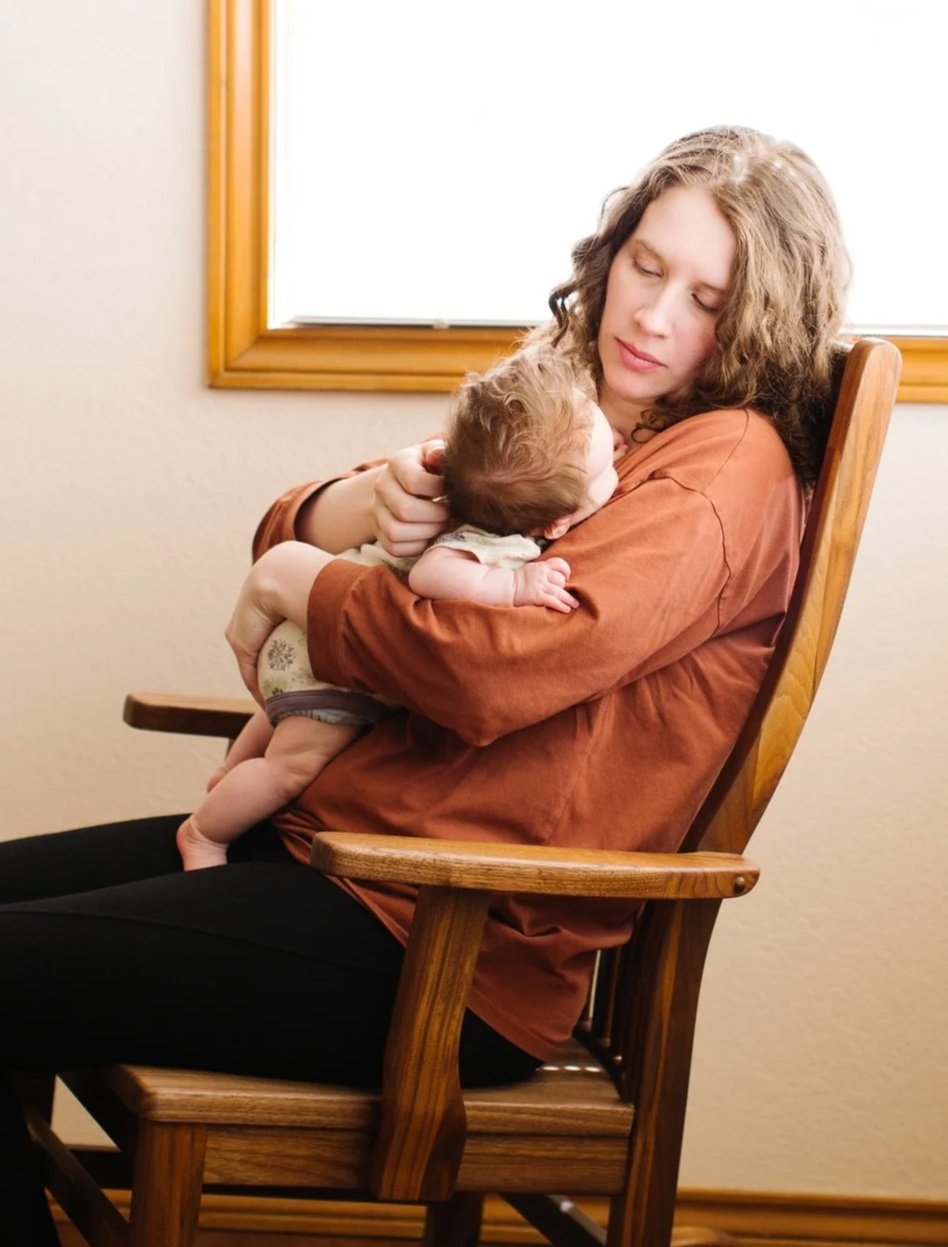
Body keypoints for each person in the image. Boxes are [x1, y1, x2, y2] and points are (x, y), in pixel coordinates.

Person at [0, 125, 848, 1243]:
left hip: (431, 939)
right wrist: (350, 511)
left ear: (755, 322)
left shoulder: (716, 469)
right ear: (611, 253)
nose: (651, 316)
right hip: (329, 853)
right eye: (645, 266)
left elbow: (484, 674)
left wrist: (301, 580)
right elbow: (308, 534)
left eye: (704, 296)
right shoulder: (578, 410)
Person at [177, 347, 622, 869]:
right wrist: (512, 588)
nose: (618, 445)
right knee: (290, 767)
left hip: (302, 639)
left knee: (276, 719)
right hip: (328, 672)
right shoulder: (496, 546)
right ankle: (206, 832)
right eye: (608, 461)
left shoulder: (468, 489)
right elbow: (437, 573)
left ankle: (227, 778)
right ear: (557, 524)